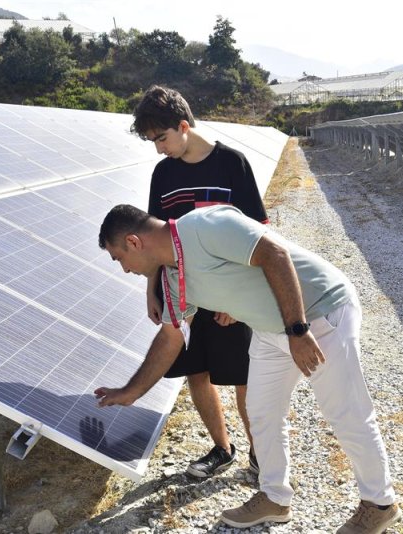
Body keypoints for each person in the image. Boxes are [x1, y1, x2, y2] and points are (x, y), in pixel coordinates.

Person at [94, 204, 401, 532]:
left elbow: (274, 255)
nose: (124, 269)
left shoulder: (203, 227)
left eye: (119, 258)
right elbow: (170, 338)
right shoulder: (172, 276)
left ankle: (379, 503)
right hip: (271, 329)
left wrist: (297, 330)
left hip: (319, 310)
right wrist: (132, 391)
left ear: (134, 242)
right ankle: (274, 497)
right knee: (262, 412)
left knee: (345, 410)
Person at [130, 85, 269, 478]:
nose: (159, 148)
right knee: (197, 372)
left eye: (162, 138)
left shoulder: (232, 164)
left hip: (229, 290)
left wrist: (236, 299)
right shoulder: (164, 174)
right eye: (151, 141)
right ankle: (222, 450)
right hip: (183, 294)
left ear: (184, 126)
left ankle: (262, 457)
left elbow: (258, 236)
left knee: (243, 377)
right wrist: (151, 289)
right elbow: (156, 238)